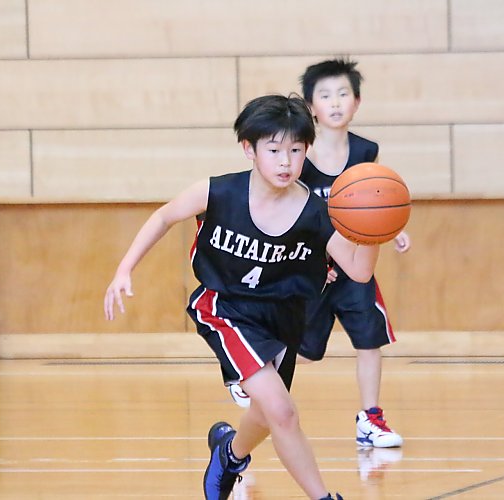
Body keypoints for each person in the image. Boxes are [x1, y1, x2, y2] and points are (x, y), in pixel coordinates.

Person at [105, 94, 381, 500]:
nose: (286, 162)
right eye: (274, 150)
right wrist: (124, 268)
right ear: (249, 149)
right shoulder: (218, 192)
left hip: (284, 317)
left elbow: (359, 271)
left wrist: (374, 231)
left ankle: (229, 454)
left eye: (296, 151)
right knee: (283, 412)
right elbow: (164, 216)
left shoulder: (316, 213)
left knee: (266, 416)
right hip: (226, 308)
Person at [229, 59, 410, 449]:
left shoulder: (365, 151)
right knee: (307, 351)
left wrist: (392, 228)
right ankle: (253, 370)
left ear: (357, 102)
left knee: (369, 340)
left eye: (344, 94)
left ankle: (370, 417)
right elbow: (290, 214)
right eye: (326, 95)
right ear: (311, 106)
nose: (336, 102)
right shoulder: (298, 158)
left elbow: (374, 202)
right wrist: (312, 261)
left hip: (353, 265)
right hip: (311, 272)